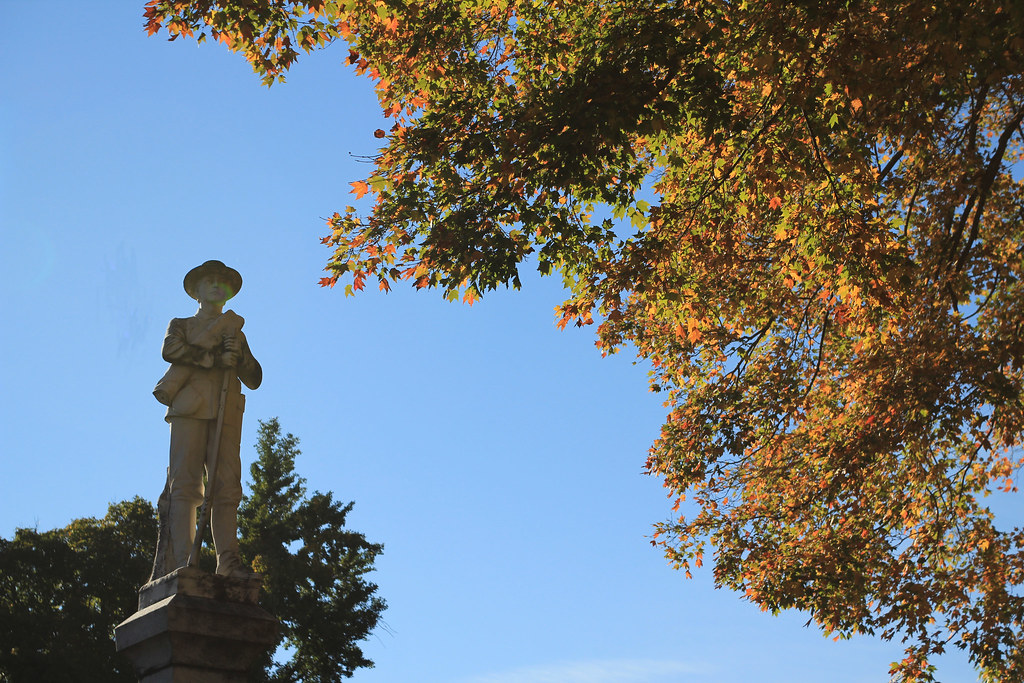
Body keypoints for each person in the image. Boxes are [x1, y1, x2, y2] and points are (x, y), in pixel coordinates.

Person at [150, 260, 262, 580]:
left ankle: (228, 561)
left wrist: (239, 355)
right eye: (208, 281)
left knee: (227, 488)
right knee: (185, 486)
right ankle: (182, 562)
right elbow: (171, 350)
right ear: (196, 292)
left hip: (227, 411)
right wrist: (213, 357)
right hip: (189, 407)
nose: (215, 285)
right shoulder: (182, 325)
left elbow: (254, 378)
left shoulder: (235, 331)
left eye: (220, 282)